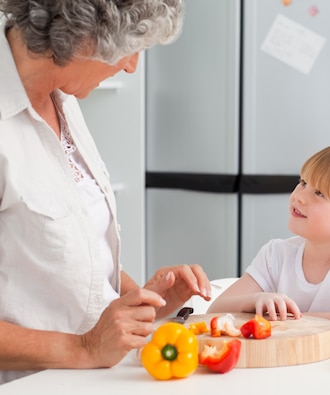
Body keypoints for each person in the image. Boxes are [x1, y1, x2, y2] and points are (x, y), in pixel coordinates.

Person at [0, 0, 212, 384]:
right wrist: (82, 348)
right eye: (133, 49)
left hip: (87, 380)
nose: (132, 66)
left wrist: (142, 299)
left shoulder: (62, 98)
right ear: (85, 39)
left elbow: (61, 249)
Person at [208, 144, 330, 342]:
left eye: (319, 193)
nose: (299, 196)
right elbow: (214, 311)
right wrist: (255, 300)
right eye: (303, 183)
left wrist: (291, 322)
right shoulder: (277, 254)